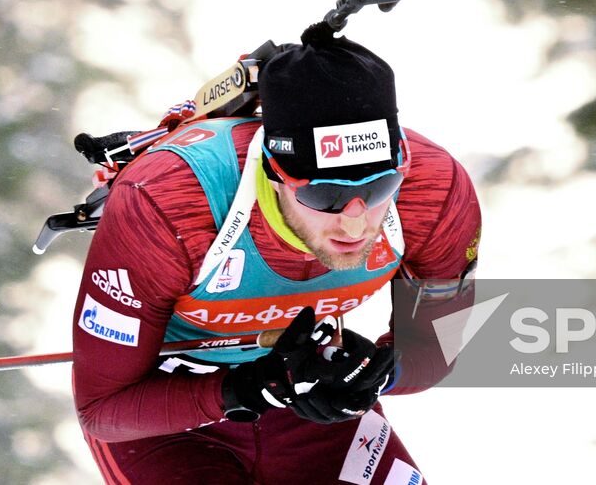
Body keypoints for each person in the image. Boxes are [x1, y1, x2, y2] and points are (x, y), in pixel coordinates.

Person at [72, 26, 481, 484]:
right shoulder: (168, 206)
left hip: (313, 401)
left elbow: (437, 346)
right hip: (169, 413)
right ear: (274, 171)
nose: (353, 222)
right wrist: (249, 388)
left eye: (379, 188)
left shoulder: (434, 193)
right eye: (325, 196)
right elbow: (104, 409)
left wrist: (373, 374)